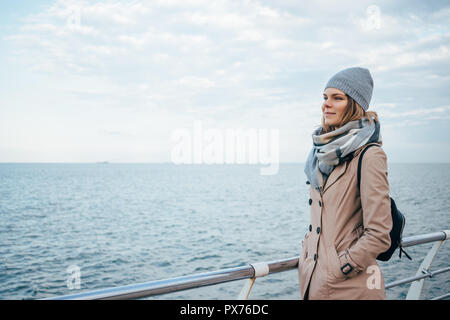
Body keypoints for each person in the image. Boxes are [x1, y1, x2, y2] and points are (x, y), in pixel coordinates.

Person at [298, 67, 393, 300]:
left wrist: (342, 266)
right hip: (314, 279)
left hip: (351, 287)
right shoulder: (321, 153)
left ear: (354, 105)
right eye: (325, 97)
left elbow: (379, 233)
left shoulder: (369, 155)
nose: (326, 104)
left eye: (337, 98)